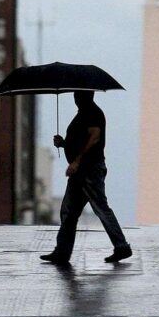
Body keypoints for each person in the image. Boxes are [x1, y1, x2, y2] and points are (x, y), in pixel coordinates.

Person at [40, 91, 132, 265]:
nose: (76, 98)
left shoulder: (92, 113)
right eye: (75, 95)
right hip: (80, 173)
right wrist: (64, 143)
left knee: (100, 208)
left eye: (78, 95)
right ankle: (62, 252)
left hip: (89, 170)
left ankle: (121, 246)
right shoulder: (84, 114)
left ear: (87, 96)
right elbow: (81, 140)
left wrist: (76, 161)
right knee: (69, 211)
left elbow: (94, 138)